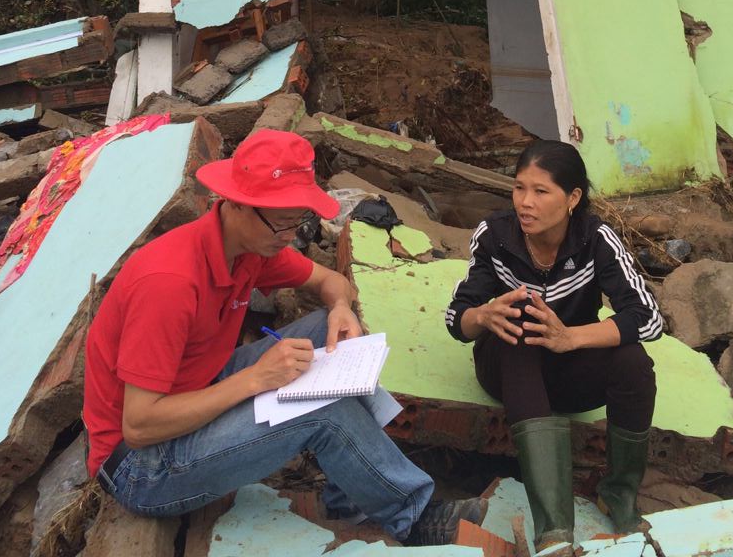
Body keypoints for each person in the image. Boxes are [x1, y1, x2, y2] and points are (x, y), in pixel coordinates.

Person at [83, 129, 484, 543]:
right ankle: (413, 515)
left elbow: (331, 282)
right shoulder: (169, 284)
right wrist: (256, 380)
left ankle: (352, 493)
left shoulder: (248, 247)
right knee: (322, 411)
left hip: (197, 387)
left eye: (298, 222)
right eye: (281, 224)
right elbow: (140, 425)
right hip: (141, 467)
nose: (290, 236)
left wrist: (343, 310)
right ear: (236, 204)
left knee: (330, 334)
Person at [445, 140, 662, 549]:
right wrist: (483, 316)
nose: (525, 202)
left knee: (633, 360)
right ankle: (554, 531)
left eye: (541, 191)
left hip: (568, 374)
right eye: (518, 188)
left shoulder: (596, 240)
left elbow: (649, 317)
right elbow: (456, 318)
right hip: (508, 369)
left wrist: (571, 337)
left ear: (572, 198)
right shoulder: (496, 236)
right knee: (519, 323)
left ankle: (619, 495)